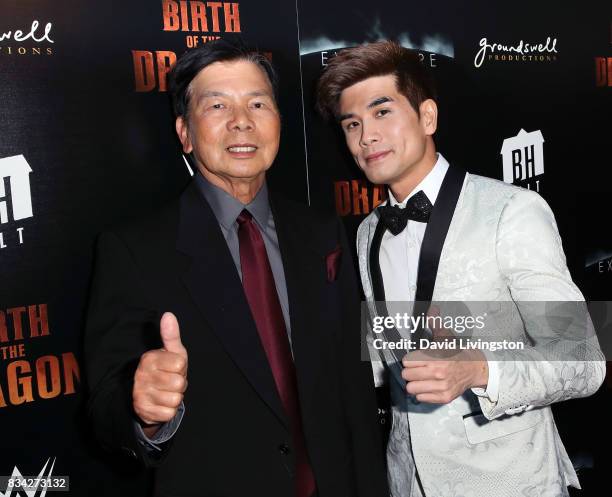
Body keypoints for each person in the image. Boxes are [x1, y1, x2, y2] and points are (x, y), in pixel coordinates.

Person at [84, 39, 388, 497]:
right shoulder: (133, 250)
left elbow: (356, 387)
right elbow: (106, 408)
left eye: (258, 103)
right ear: (184, 132)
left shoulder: (323, 232)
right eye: (217, 105)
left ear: (278, 124)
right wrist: (142, 412)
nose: (241, 121)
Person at [315, 40, 606, 497]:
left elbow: (585, 359)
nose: (365, 135)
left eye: (382, 112)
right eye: (352, 124)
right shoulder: (368, 231)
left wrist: (478, 368)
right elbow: (386, 354)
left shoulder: (512, 210)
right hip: (406, 483)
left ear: (427, 117)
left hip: (511, 483)